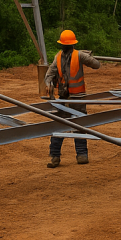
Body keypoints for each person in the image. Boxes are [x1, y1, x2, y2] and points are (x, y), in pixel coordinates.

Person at [44, 29, 100, 167]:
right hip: (72, 98)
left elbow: (48, 76)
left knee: (63, 125)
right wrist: (49, 83)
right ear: (73, 44)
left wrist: (49, 83)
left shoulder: (69, 56)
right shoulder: (76, 55)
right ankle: (80, 155)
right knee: (77, 125)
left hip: (71, 98)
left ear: (62, 44)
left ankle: (57, 157)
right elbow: (97, 65)